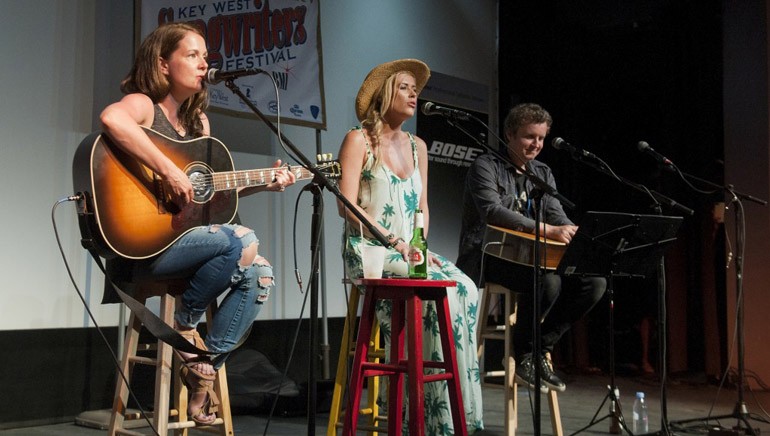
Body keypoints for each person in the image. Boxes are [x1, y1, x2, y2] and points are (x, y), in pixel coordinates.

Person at [99, 23, 296, 424]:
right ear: (162, 63)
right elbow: (111, 120)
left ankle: (202, 372)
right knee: (244, 239)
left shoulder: (200, 124)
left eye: (205, 56)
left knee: (260, 273)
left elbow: (209, 198)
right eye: (192, 55)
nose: (204, 63)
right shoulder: (143, 106)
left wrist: (263, 185)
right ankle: (183, 324)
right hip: (146, 250)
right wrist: (170, 172)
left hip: (194, 244)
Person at [337, 59, 484, 433]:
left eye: (414, 88)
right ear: (385, 93)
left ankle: (456, 410)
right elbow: (346, 204)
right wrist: (394, 241)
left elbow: (423, 208)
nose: (413, 93)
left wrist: (420, 245)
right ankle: (422, 415)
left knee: (465, 288)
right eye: (404, 86)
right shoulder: (359, 139)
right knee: (436, 291)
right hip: (371, 252)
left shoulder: (419, 147)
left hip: (410, 251)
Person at [456, 103, 606, 392]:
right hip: (487, 255)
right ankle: (524, 354)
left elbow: (555, 212)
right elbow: (493, 212)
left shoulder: (542, 172)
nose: (536, 145)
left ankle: (540, 348)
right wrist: (550, 230)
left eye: (540, 138)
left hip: (530, 257)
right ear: (510, 134)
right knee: (547, 281)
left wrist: (572, 232)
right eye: (529, 137)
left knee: (594, 284)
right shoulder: (486, 166)